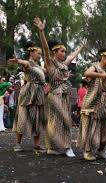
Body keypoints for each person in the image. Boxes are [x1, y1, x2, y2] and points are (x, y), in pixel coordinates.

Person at [34, 17, 84, 157]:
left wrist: (81, 47)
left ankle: (51, 147)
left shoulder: (64, 64)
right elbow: (44, 47)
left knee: (56, 120)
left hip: (63, 95)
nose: (64, 53)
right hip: (54, 94)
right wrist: (41, 32)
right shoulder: (50, 63)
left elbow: (73, 56)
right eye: (62, 51)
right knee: (63, 120)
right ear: (55, 52)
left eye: (65, 51)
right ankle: (67, 147)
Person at [9, 42, 47, 153]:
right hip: (28, 92)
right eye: (38, 54)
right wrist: (18, 61)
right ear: (31, 53)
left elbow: (46, 71)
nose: (40, 56)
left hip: (39, 93)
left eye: (41, 54)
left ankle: (36, 144)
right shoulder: (28, 63)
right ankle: (18, 143)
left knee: (37, 117)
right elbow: (24, 63)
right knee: (23, 116)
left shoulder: (38, 65)